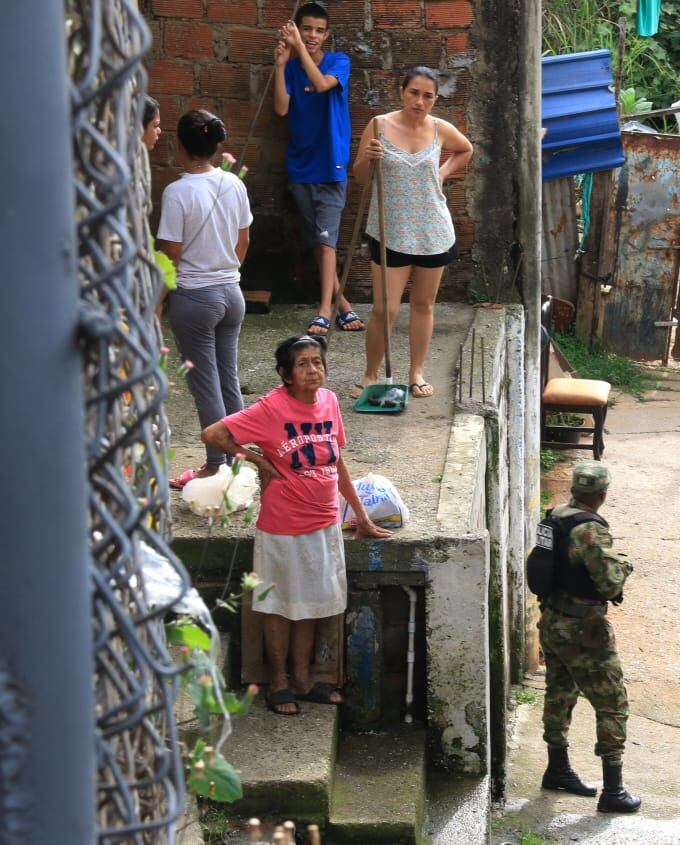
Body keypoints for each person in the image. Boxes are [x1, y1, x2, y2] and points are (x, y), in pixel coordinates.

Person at [201, 335, 392, 716]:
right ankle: (278, 681)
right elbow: (213, 434)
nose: (313, 370)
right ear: (284, 374)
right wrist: (257, 459)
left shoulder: (330, 401)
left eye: (317, 362)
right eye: (303, 364)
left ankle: (303, 679)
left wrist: (360, 515)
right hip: (282, 526)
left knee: (312, 604)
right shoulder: (271, 408)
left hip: (323, 524)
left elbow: (337, 462)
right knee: (278, 606)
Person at [349, 66, 473, 400]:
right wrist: (368, 159)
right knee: (383, 309)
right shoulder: (378, 125)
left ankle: (416, 371)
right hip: (390, 230)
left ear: (435, 99)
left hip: (433, 230)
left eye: (428, 95)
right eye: (414, 93)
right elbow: (360, 177)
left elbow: (466, 149)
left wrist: (443, 174)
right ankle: (371, 373)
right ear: (401, 91)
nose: (420, 101)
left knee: (423, 305)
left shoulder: (440, 129)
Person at [538, 461, 641, 814]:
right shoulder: (590, 530)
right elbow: (609, 582)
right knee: (612, 701)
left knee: (559, 693)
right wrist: (624, 564)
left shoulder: (554, 517)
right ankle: (614, 792)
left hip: (552, 621)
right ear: (602, 494)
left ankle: (557, 769)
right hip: (584, 629)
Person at [157, 109, 253, 488]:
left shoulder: (177, 192)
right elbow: (243, 240)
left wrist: (158, 298)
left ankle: (216, 465)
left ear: (179, 146)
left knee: (205, 384)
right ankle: (238, 458)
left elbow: (171, 253)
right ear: (216, 145)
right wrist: (228, 271)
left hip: (195, 298)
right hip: (232, 293)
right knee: (227, 376)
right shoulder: (234, 184)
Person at [272, 2, 364, 336]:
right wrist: (282, 65)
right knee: (318, 240)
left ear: (326, 34)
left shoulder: (340, 62)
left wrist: (298, 49)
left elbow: (323, 85)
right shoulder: (294, 68)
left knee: (326, 241)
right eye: (306, 29)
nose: (312, 36)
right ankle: (343, 304)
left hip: (330, 164)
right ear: (296, 28)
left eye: (318, 30)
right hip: (300, 165)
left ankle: (324, 309)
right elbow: (281, 109)